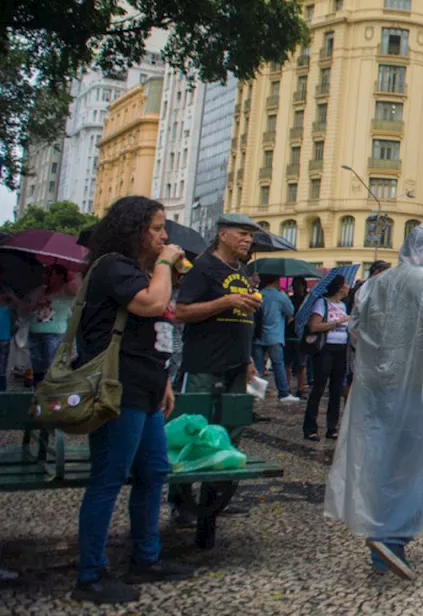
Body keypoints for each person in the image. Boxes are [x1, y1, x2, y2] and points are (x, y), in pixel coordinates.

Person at [325, 223, 423, 579]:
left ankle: (380, 535)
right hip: (419, 389)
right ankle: (392, 536)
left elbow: (355, 332)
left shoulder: (373, 285)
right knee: (417, 462)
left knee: (380, 459)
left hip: (375, 390)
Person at [74, 196, 192, 604]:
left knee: (153, 472)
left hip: (146, 389)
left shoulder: (142, 271)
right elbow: (151, 305)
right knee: (108, 479)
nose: (164, 236)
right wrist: (165, 264)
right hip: (115, 389)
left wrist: (164, 381)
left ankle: (146, 557)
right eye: (157, 228)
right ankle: (89, 576)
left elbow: (153, 333)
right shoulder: (112, 267)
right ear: (134, 229)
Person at [175, 214, 261, 401]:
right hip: (205, 366)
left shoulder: (242, 270)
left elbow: (242, 320)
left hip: (238, 366)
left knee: (232, 424)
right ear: (223, 235)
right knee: (199, 425)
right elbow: (181, 312)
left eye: (251, 236)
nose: (248, 240)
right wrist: (226, 302)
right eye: (243, 234)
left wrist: (248, 359)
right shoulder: (203, 266)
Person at [303, 275, 351, 441]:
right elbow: (314, 326)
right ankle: (310, 427)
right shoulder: (322, 303)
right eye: (346, 284)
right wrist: (338, 322)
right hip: (325, 349)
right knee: (319, 387)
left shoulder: (344, 306)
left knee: (336, 388)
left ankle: (332, 427)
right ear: (339, 287)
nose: (348, 287)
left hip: (341, 349)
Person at [251, 276, 299, 403]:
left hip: (257, 335)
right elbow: (290, 311)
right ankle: (283, 393)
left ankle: (256, 393)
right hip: (275, 335)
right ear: (276, 281)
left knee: (258, 366)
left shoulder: (258, 295)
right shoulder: (280, 296)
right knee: (278, 365)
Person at [27, 264, 74, 384]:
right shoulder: (40, 290)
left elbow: (76, 292)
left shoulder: (67, 291)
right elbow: (27, 309)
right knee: (37, 366)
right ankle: (37, 391)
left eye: (50, 274)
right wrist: (38, 303)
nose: (46, 276)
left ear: (60, 276)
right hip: (35, 331)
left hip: (54, 332)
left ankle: (50, 393)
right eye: (46, 273)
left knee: (51, 365)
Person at [286, 277, 311, 397]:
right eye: (294, 285)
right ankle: (287, 387)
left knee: (302, 364)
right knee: (287, 362)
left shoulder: (308, 300)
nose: (296, 288)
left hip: (301, 335)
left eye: (298, 285)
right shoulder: (289, 299)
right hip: (289, 334)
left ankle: (301, 388)